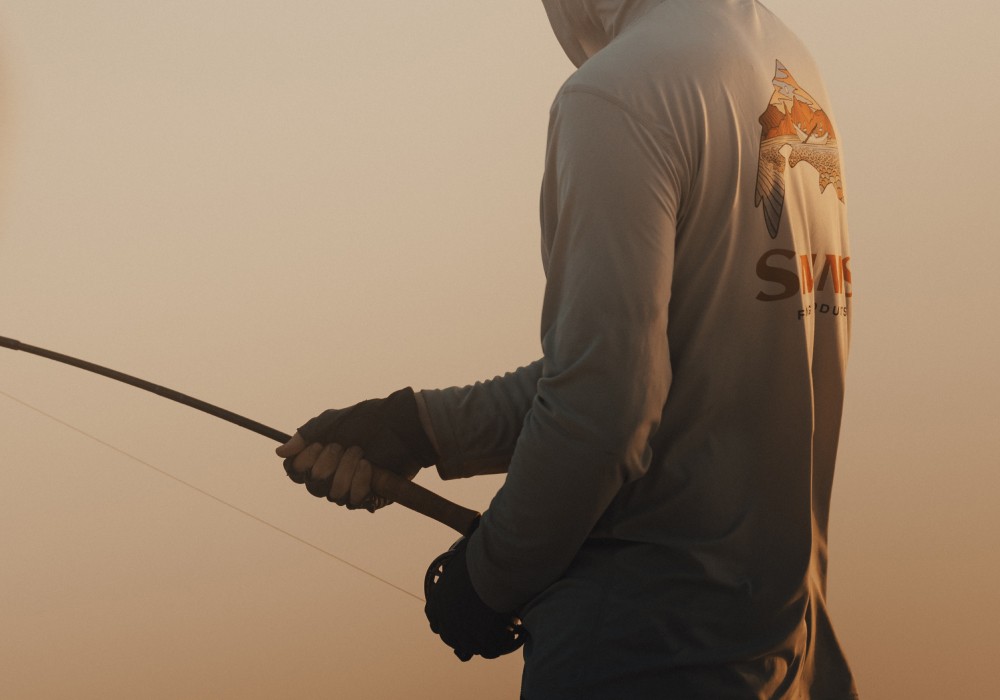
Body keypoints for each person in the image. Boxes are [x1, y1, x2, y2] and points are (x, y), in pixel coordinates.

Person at [277, 1, 860, 697]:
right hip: (791, 662)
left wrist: (486, 579)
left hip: (642, 661)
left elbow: (607, 403)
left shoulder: (616, 93)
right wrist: (418, 426)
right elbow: (671, 364)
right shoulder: (787, 69)